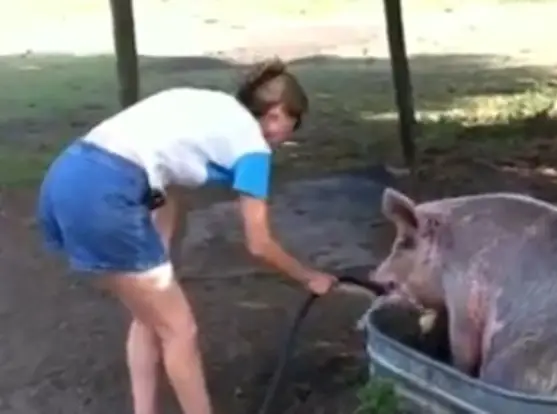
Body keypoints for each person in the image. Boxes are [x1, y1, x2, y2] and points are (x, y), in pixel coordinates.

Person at [36, 57, 338, 414]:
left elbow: (165, 186)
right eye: (294, 122)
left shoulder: (210, 109)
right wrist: (310, 277)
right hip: (109, 191)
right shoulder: (252, 147)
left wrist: (159, 260)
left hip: (66, 177)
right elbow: (259, 243)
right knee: (181, 330)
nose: (289, 134)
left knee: (150, 316)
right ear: (276, 115)